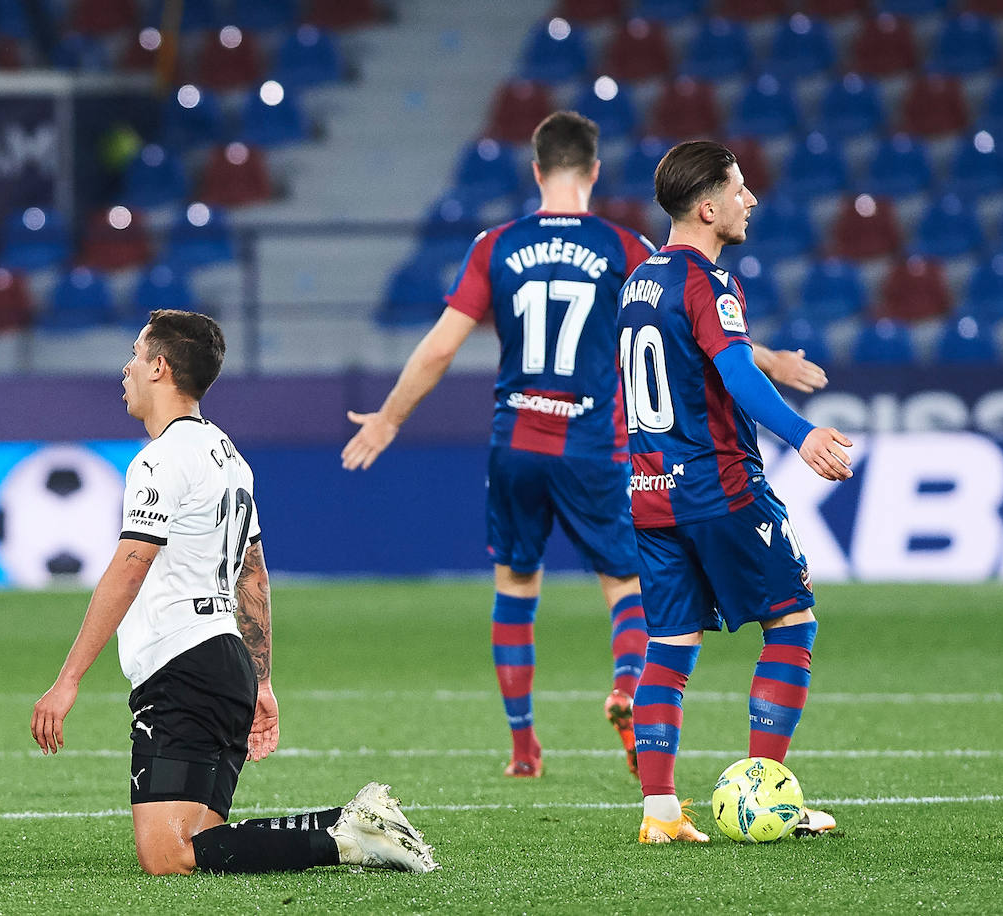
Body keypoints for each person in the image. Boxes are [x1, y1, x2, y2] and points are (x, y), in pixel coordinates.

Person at [342, 112, 828, 781]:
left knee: (515, 586)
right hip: (598, 445)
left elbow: (442, 345)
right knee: (626, 587)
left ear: (536, 170)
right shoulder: (624, 247)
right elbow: (701, 323)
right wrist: (770, 363)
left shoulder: (495, 246)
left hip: (514, 441)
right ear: (595, 171)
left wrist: (390, 419)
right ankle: (629, 686)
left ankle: (523, 746)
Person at [31, 309, 437, 875]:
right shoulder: (229, 456)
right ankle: (352, 823)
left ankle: (345, 838)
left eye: (135, 354)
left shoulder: (160, 459)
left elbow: (130, 567)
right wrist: (261, 678)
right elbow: (254, 574)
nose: (126, 368)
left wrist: (67, 681)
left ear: (160, 368)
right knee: (203, 838)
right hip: (224, 664)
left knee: (167, 854)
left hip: (183, 666)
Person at [615, 141, 854, 845]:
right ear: (707, 206)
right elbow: (740, 376)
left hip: (651, 493)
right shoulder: (705, 281)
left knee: (670, 644)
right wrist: (800, 435)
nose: (750, 200)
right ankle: (766, 794)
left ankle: (660, 813)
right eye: (739, 189)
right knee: (792, 622)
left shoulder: (638, 283)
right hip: (719, 487)